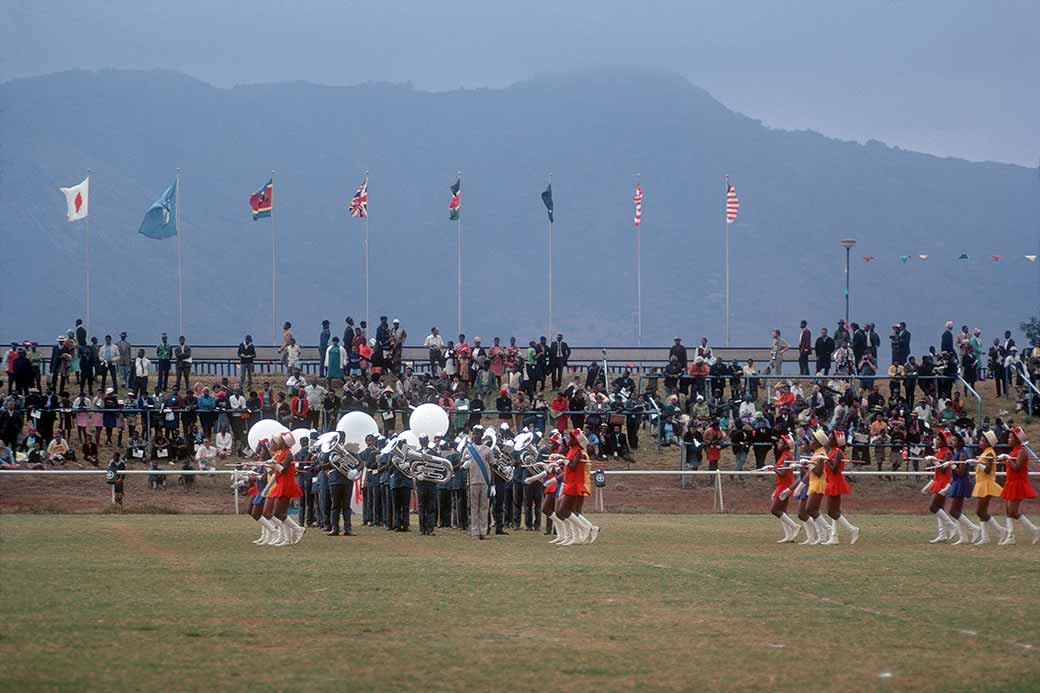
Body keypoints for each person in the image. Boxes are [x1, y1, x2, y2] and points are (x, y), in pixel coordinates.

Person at [256, 432, 306, 546]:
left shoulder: (288, 454)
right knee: (278, 513)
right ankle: (291, 535)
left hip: (287, 484)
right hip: (281, 483)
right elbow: (278, 471)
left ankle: (297, 530)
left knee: (278, 513)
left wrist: (274, 464)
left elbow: (283, 469)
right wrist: (272, 464)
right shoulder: (282, 453)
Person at [999, 427, 1039, 545]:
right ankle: (1011, 536)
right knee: (1008, 510)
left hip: (1018, 483)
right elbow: (1010, 465)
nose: (1009, 439)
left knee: (1013, 511)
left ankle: (1034, 530)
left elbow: (1016, 467)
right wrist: (1005, 459)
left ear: (1017, 439)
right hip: (1010, 482)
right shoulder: (1012, 452)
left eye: (1011, 437)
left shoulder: (1021, 451)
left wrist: (1008, 458)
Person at [971, 430, 1007, 544]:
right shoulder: (985, 452)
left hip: (987, 483)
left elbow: (987, 470)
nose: (980, 442)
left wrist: (977, 463)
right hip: (982, 483)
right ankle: (985, 537)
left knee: (980, 511)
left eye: (982, 440)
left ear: (988, 443)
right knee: (982, 511)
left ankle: (1000, 531)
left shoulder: (990, 453)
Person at [921, 431, 958, 543]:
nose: (935, 441)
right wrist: (931, 460)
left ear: (943, 441)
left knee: (933, 507)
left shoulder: (947, 453)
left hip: (944, 482)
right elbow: (936, 471)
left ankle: (952, 526)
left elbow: (942, 469)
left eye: (938, 440)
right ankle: (942, 534)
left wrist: (935, 460)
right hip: (938, 481)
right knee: (939, 509)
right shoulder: (939, 452)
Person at [462, 426, 493, 539]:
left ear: (482, 435)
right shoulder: (468, 449)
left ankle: (483, 532)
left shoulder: (487, 450)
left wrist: (492, 484)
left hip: (485, 482)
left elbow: (491, 467)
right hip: (473, 481)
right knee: (474, 507)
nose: (475, 436)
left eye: (477, 434)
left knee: (484, 507)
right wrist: (465, 465)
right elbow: (462, 464)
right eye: (474, 434)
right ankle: (475, 531)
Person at [769, 434, 800, 542]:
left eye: (781, 443)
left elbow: (783, 473)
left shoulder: (787, 456)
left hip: (784, 485)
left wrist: (773, 468)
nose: (778, 444)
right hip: (781, 484)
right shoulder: (785, 454)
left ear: (786, 446)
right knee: (782, 511)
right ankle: (789, 536)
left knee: (775, 510)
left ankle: (794, 526)